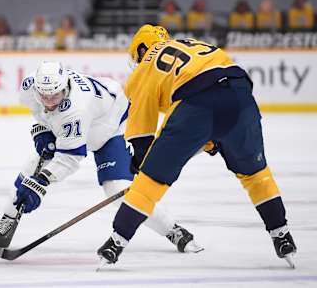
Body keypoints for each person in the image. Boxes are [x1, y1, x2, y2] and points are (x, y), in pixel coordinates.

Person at [96, 25, 297, 268]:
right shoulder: (193, 44)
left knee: (150, 181)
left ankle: (117, 241)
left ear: (140, 49)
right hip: (240, 94)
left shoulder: (144, 67)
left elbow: (141, 134)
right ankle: (281, 234)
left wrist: (143, 162)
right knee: (255, 173)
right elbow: (220, 87)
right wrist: (213, 135)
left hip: (196, 103)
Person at [0, 61, 202, 254]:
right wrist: (42, 128)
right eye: (44, 96)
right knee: (32, 164)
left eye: (55, 96)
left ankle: (173, 230)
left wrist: (43, 181)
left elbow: (70, 158)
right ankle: (7, 220)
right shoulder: (31, 86)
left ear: (65, 87)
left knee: (117, 190)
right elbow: (40, 112)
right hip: (88, 120)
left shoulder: (77, 110)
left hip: (112, 127)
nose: (49, 102)